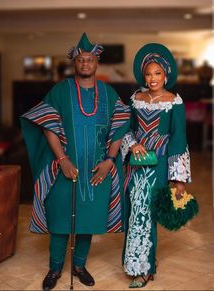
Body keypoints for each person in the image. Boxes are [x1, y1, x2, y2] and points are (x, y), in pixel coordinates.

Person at [20, 32, 130, 291]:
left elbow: (120, 127)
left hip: (97, 169)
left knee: (88, 219)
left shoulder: (108, 92)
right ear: (74, 63)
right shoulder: (60, 91)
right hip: (64, 167)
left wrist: (110, 161)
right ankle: (55, 268)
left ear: (96, 62)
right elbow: (48, 126)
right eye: (80, 59)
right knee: (60, 221)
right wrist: (62, 159)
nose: (85, 64)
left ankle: (79, 265)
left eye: (89, 59)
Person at [121, 43, 191, 288]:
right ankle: (134, 264)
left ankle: (146, 269)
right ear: (143, 75)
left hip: (159, 164)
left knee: (147, 212)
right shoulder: (135, 99)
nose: (152, 78)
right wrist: (132, 145)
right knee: (134, 211)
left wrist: (178, 178)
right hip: (135, 164)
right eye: (148, 74)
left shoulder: (175, 101)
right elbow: (126, 129)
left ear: (166, 74)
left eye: (157, 73)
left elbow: (179, 140)